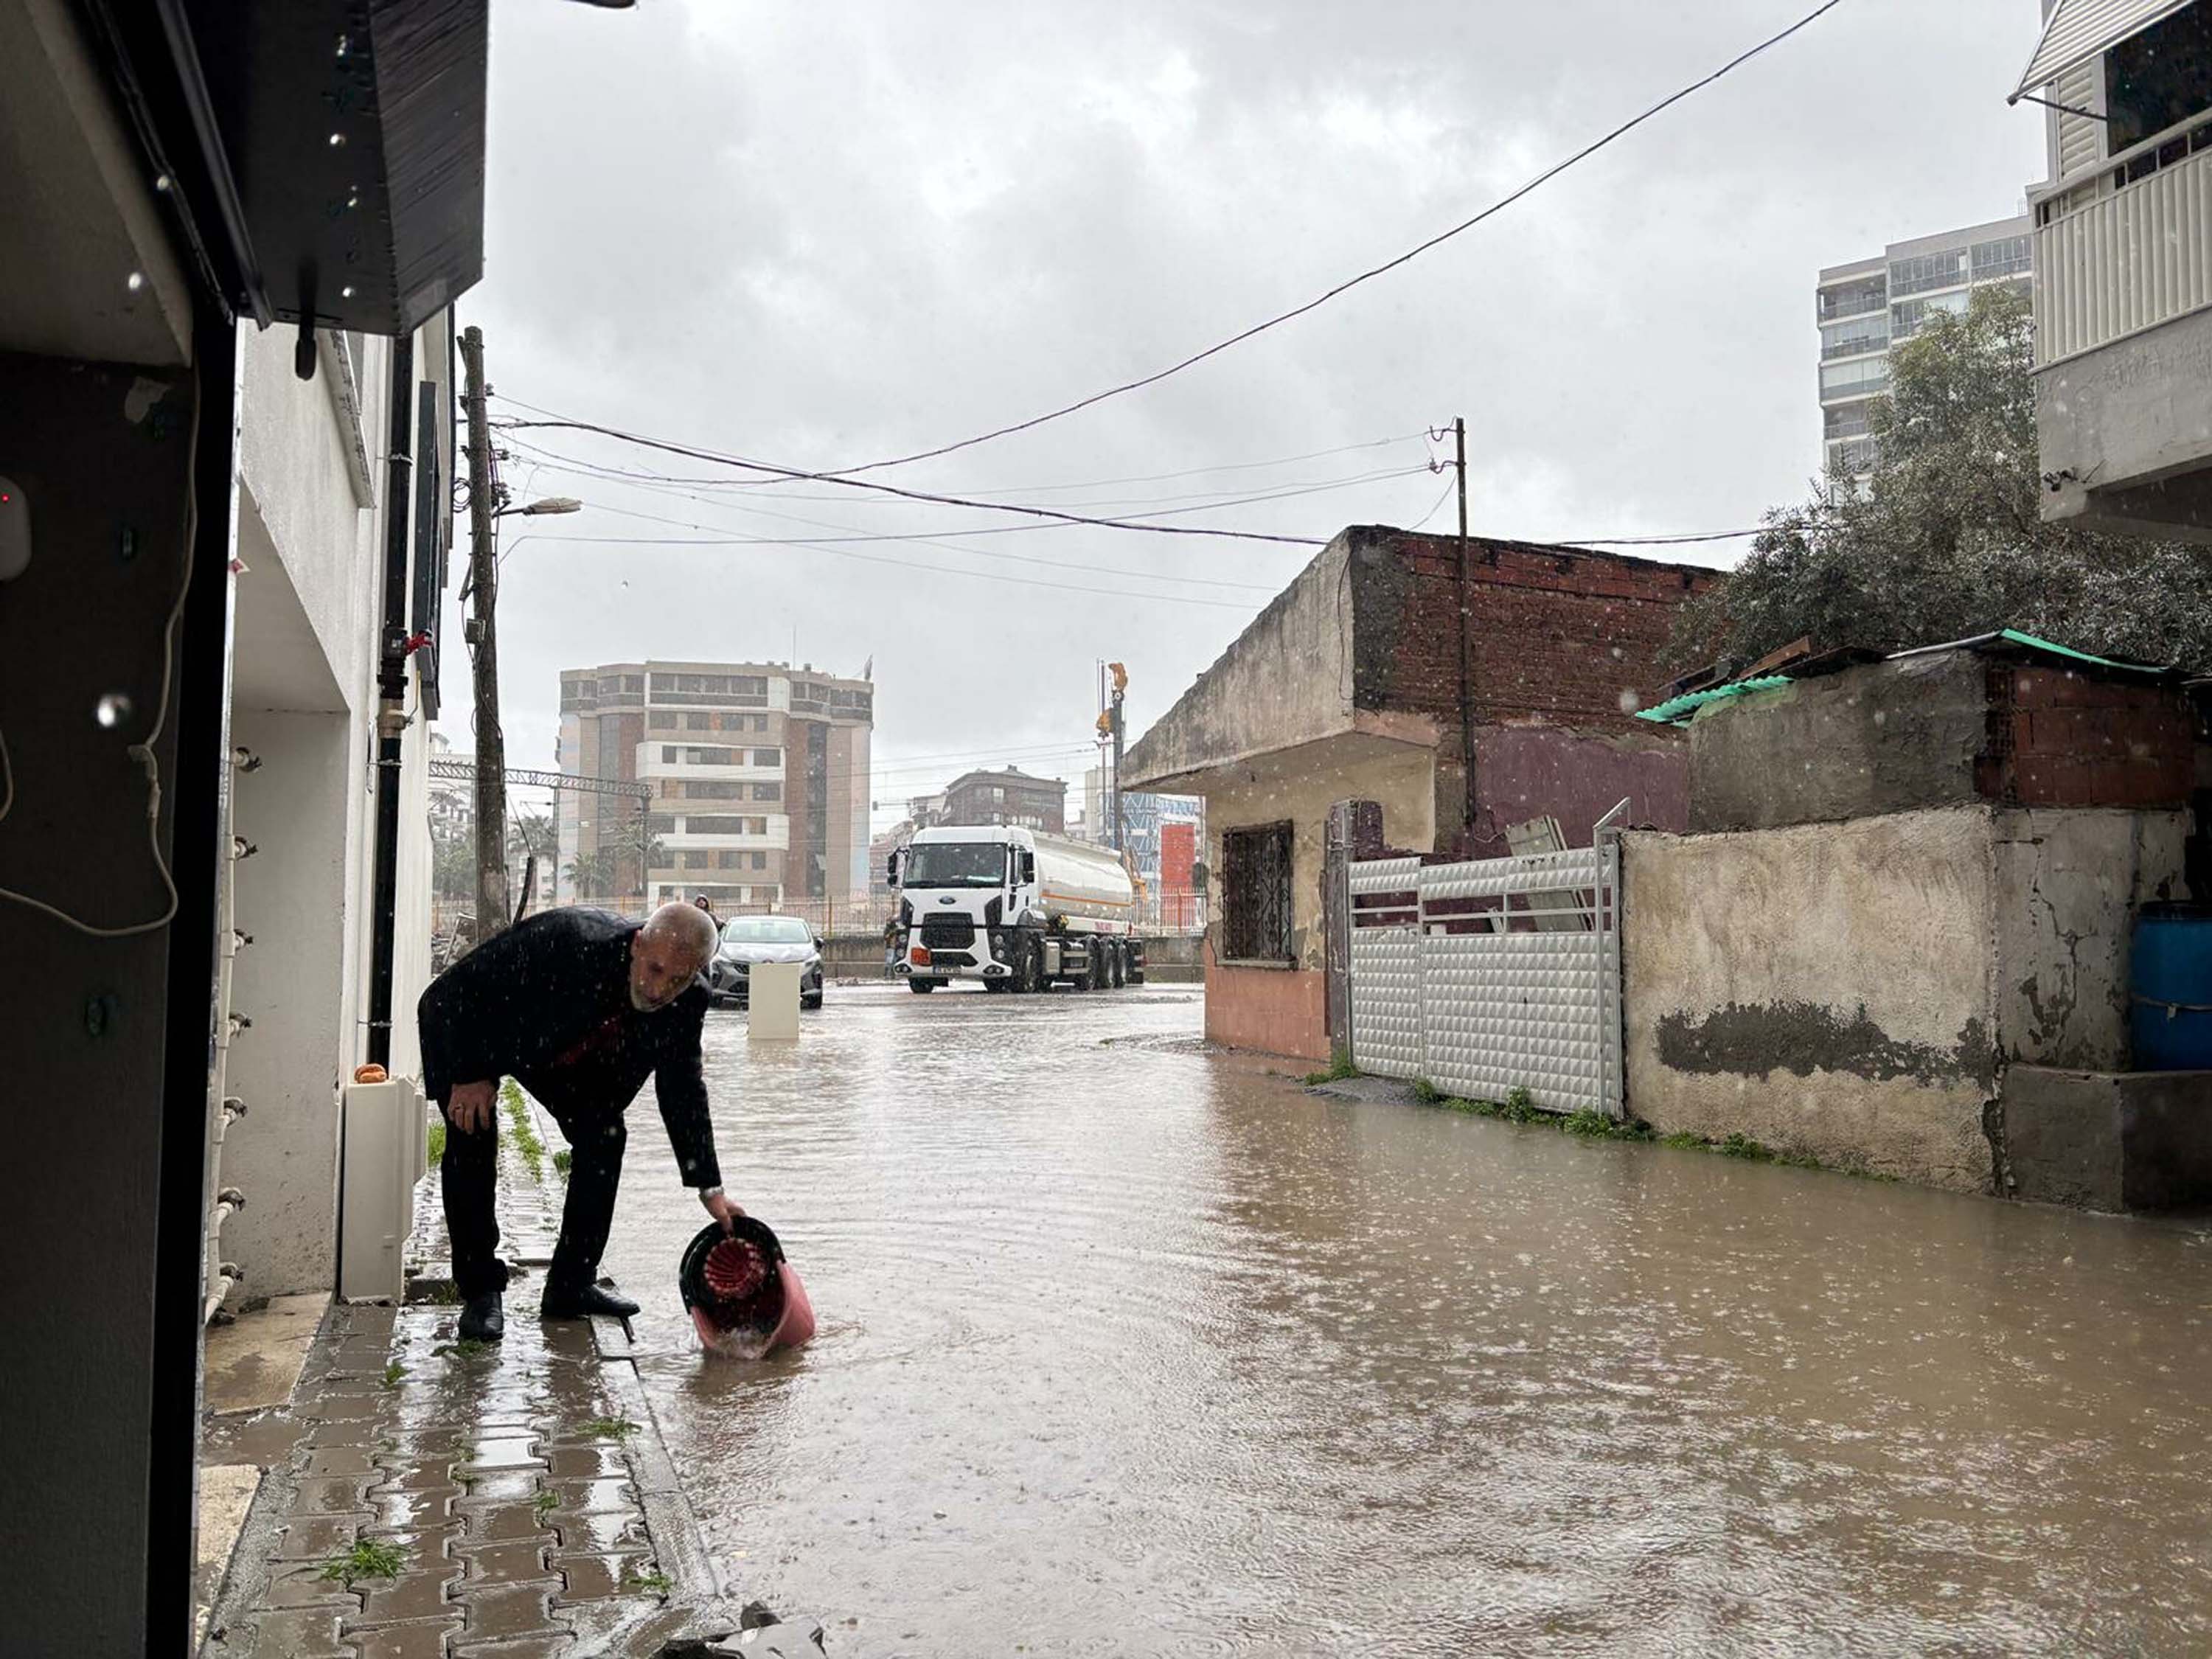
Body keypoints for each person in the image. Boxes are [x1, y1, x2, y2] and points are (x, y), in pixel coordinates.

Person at [418, 901, 745, 1341]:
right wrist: (466, 1075)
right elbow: (445, 997)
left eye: (678, 979)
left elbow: (683, 1089)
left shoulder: (690, 1000)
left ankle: (570, 1285)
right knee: (471, 1133)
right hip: (494, 1037)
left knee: (605, 1139)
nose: (658, 989)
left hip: (569, 1062)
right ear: (638, 944)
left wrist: (710, 1188)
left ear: (698, 972)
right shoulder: (568, 938)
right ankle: (479, 1291)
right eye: (654, 969)